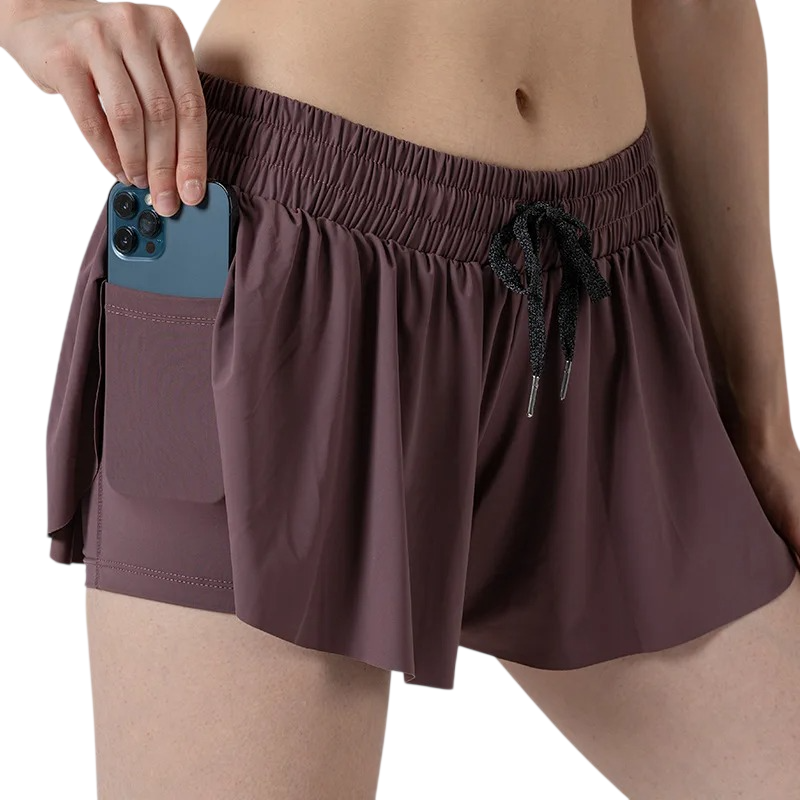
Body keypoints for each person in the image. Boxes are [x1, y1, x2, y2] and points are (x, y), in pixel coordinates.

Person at [3, 0, 800, 796]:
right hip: (288, 279)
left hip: (598, 301)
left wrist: (762, 419)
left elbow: (695, 10)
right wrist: (36, 15)